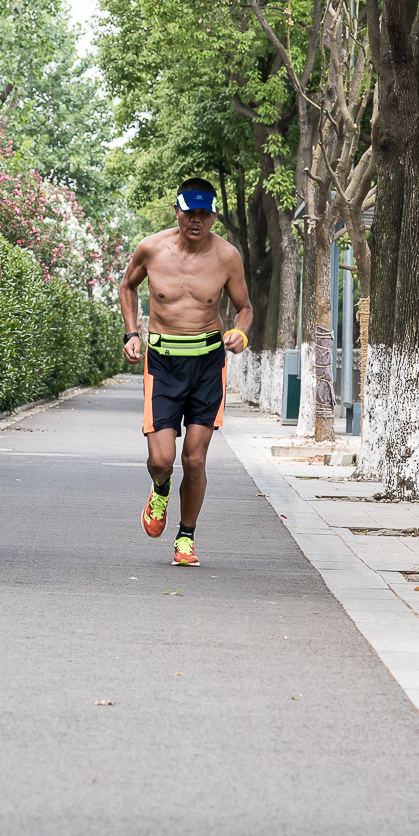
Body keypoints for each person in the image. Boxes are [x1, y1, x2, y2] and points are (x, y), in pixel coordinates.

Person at [120, 177, 253, 567]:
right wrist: (132, 333)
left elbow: (244, 307)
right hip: (163, 364)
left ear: (214, 216)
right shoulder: (151, 249)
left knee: (194, 460)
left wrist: (241, 333)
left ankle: (185, 537)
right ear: (176, 211)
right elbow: (127, 286)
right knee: (162, 460)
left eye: (203, 214)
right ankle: (160, 489)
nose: (196, 221)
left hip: (208, 365)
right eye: (189, 212)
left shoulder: (227, 256)